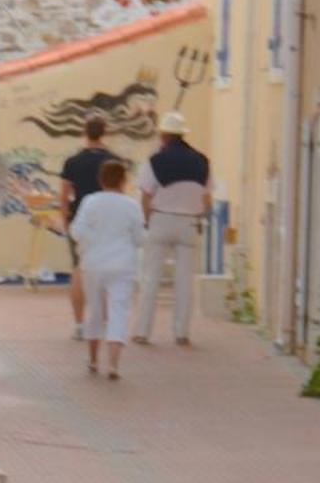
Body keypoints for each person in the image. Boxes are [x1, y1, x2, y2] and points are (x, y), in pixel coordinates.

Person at [133, 110, 212, 347]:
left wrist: (146, 222)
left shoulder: (154, 161)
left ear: (164, 135)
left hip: (161, 220)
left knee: (151, 279)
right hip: (189, 222)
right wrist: (200, 218)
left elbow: (146, 195)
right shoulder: (202, 161)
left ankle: (143, 331)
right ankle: (181, 332)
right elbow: (207, 199)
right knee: (185, 281)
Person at [70, 159, 146, 381]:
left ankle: (93, 360)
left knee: (95, 311)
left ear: (100, 180)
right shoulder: (131, 205)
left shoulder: (90, 202)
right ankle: (113, 364)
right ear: (123, 180)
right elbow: (140, 238)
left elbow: (77, 231)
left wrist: (90, 243)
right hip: (122, 264)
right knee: (118, 311)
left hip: (93, 264)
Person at [59, 117, 123, 341]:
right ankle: (102, 322)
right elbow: (120, 192)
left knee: (79, 270)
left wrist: (66, 219)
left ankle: (78, 324)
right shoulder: (114, 160)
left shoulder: (73, 161)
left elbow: (64, 195)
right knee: (106, 271)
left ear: (85, 133)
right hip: (108, 221)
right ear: (104, 133)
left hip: (81, 220)